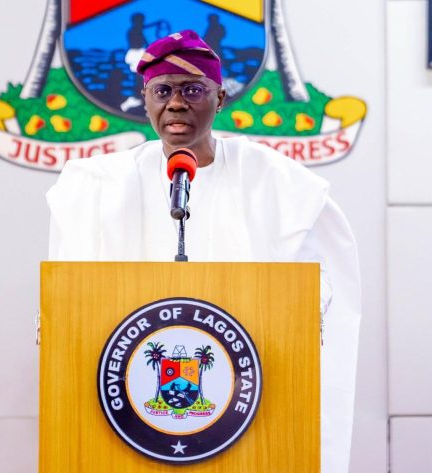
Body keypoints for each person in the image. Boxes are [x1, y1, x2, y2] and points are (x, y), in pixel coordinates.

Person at [47, 30, 361, 473]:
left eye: (193, 90)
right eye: (163, 91)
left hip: (254, 416)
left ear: (221, 98)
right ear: (145, 100)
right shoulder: (99, 187)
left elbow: (323, 294)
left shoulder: (279, 184)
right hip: (132, 428)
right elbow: (69, 305)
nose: (176, 103)